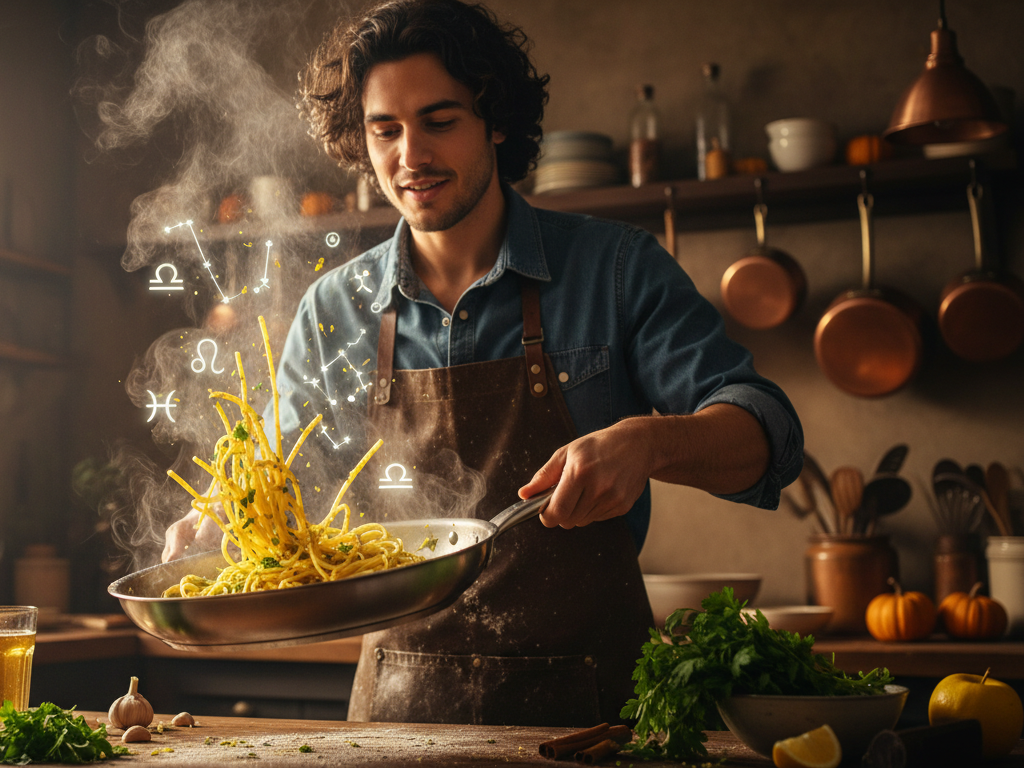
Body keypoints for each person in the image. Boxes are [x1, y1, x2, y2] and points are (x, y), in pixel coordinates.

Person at [163, 0, 802, 727]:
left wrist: (650, 442)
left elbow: (770, 432)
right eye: (385, 129)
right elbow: (278, 477)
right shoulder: (332, 308)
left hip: (597, 716)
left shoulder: (616, 270)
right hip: (398, 717)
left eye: (440, 121)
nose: (411, 156)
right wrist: (217, 520)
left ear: (495, 120)